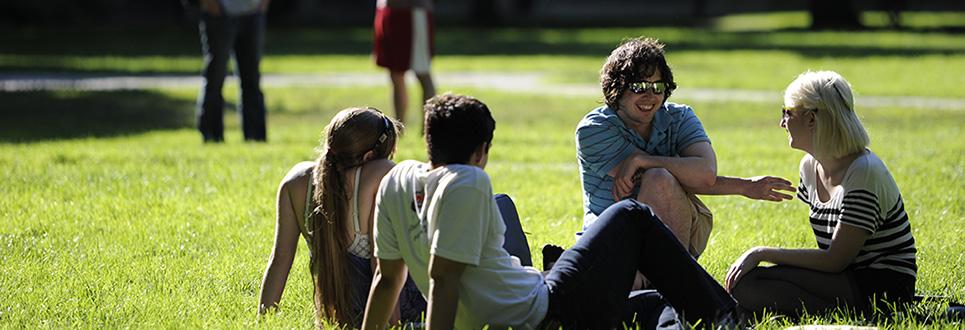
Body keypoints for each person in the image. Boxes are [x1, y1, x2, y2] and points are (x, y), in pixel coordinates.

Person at [363, 93, 740, 329]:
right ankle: (728, 318)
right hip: (542, 308)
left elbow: (386, 279)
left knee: (658, 303)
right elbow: (444, 279)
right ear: (481, 151)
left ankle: (706, 318)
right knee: (631, 216)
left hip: (538, 295)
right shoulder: (467, 180)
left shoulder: (396, 182)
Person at [576, 37, 794, 263]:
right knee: (657, 178)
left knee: (658, 177)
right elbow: (645, 184)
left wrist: (641, 159)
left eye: (658, 86)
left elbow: (705, 174)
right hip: (611, 236)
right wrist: (743, 186)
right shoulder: (594, 130)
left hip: (679, 224)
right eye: (639, 86)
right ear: (616, 88)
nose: (650, 96)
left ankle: (674, 279)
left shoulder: (680, 117)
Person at [725, 71, 917, 317]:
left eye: (787, 112)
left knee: (749, 285)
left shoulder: (864, 171)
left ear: (812, 119)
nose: (782, 122)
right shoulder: (809, 166)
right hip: (845, 277)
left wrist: (761, 252)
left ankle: (864, 316)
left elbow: (836, 259)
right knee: (748, 284)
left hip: (883, 285)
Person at [258, 108, 425, 327]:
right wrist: (392, 325)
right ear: (369, 157)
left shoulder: (296, 182)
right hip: (390, 308)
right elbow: (381, 269)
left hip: (341, 312)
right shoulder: (380, 174)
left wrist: (263, 322)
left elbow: (279, 260)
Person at [197, 0, 269, 142]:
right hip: (219, 12)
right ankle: (212, 136)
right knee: (215, 76)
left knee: (252, 78)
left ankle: (255, 136)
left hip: (253, 12)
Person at [373, 0, 437, 125]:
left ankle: (429, 127)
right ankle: (399, 128)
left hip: (412, 13)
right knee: (395, 74)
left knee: (422, 72)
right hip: (389, 11)